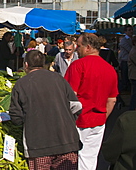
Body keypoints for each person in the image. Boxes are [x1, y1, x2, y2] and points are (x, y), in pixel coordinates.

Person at [9, 50, 82, 169]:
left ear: (26, 65)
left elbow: (16, 117)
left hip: (38, 146)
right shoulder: (59, 79)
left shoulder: (21, 84)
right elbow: (77, 106)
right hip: (67, 142)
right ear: (43, 64)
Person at [64, 33, 118, 170]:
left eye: (79, 46)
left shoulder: (78, 66)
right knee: (90, 158)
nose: (77, 49)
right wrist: (103, 117)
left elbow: (69, 96)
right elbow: (112, 100)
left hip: (79, 121)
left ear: (88, 47)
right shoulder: (110, 69)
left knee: (70, 159)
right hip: (99, 121)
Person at [118, 24, 133, 93]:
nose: (131, 31)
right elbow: (129, 50)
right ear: (125, 32)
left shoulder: (132, 39)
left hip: (130, 61)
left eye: (131, 30)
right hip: (125, 60)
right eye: (129, 30)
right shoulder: (124, 40)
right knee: (125, 77)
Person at [127, 36, 136, 110]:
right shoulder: (133, 51)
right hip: (134, 75)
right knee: (134, 94)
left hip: (133, 75)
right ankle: (132, 109)